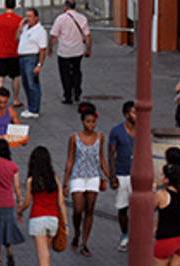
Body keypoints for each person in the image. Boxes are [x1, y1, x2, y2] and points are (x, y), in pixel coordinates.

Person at [63, 102, 108, 257]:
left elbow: (101, 158)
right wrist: (65, 181)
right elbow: (70, 159)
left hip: (93, 175)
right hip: (77, 175)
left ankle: (84, 242)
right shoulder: (74, 138)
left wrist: (108, 176)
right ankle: (77, 232)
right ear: (82, 122)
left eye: (93, 122)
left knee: (90, 209)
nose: (91, 125)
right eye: (88, 122)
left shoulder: (100, 137)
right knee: (77, 209)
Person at [19, 145, 66, 266]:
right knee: (45, 253)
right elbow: (61, 202)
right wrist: (65, 224)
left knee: (43, 256)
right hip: (53, 220)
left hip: (37, 219)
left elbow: (27, 202)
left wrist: (20, 210)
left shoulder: (31, 181)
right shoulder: (55, 179)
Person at [0, 139, 25, 264]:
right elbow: (17, 187)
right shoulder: (13, 166)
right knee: (7, 230)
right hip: (9, 202)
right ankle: (9, 254)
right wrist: (20, 202)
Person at [49, 0, 91, 105]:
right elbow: (87, 35)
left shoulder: (60, 19)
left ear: (65, 7)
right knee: (77, 71)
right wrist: (88, 49)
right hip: (78, 50)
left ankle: (68, 96)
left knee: (65, 74)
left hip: (64, 51)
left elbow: (53, 36)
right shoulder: (82, 18)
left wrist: (50, 48)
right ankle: (77, 92)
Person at [108, 100, 136, 252]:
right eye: (134, 112)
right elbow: (111, 154)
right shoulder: (116, 131)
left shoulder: (143, 130)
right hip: (122, 173)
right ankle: (125, 234)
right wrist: (112, 176)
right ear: (126, 114)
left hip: (138, 175)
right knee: (123, 207)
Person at [16, 8, 48, 119]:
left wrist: (39, 64)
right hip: (22, 57)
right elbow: (17, 38)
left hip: (31, 58)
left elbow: (43, 49)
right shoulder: (25, 28)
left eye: (30, 16)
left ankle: (34, 109)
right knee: (26, 84)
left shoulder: (40, 31)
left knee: (32, 84)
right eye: (26, 16)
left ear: (36, 18)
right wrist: (20, 26)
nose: (27, 19)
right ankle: (30, 106)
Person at [0, 0, 22, 107]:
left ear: (4, 5)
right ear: (15, 5)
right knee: (16, 77)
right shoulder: (19, 20)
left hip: (1, 51)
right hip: (14, 52)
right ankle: (16, 99)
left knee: (0, 77)